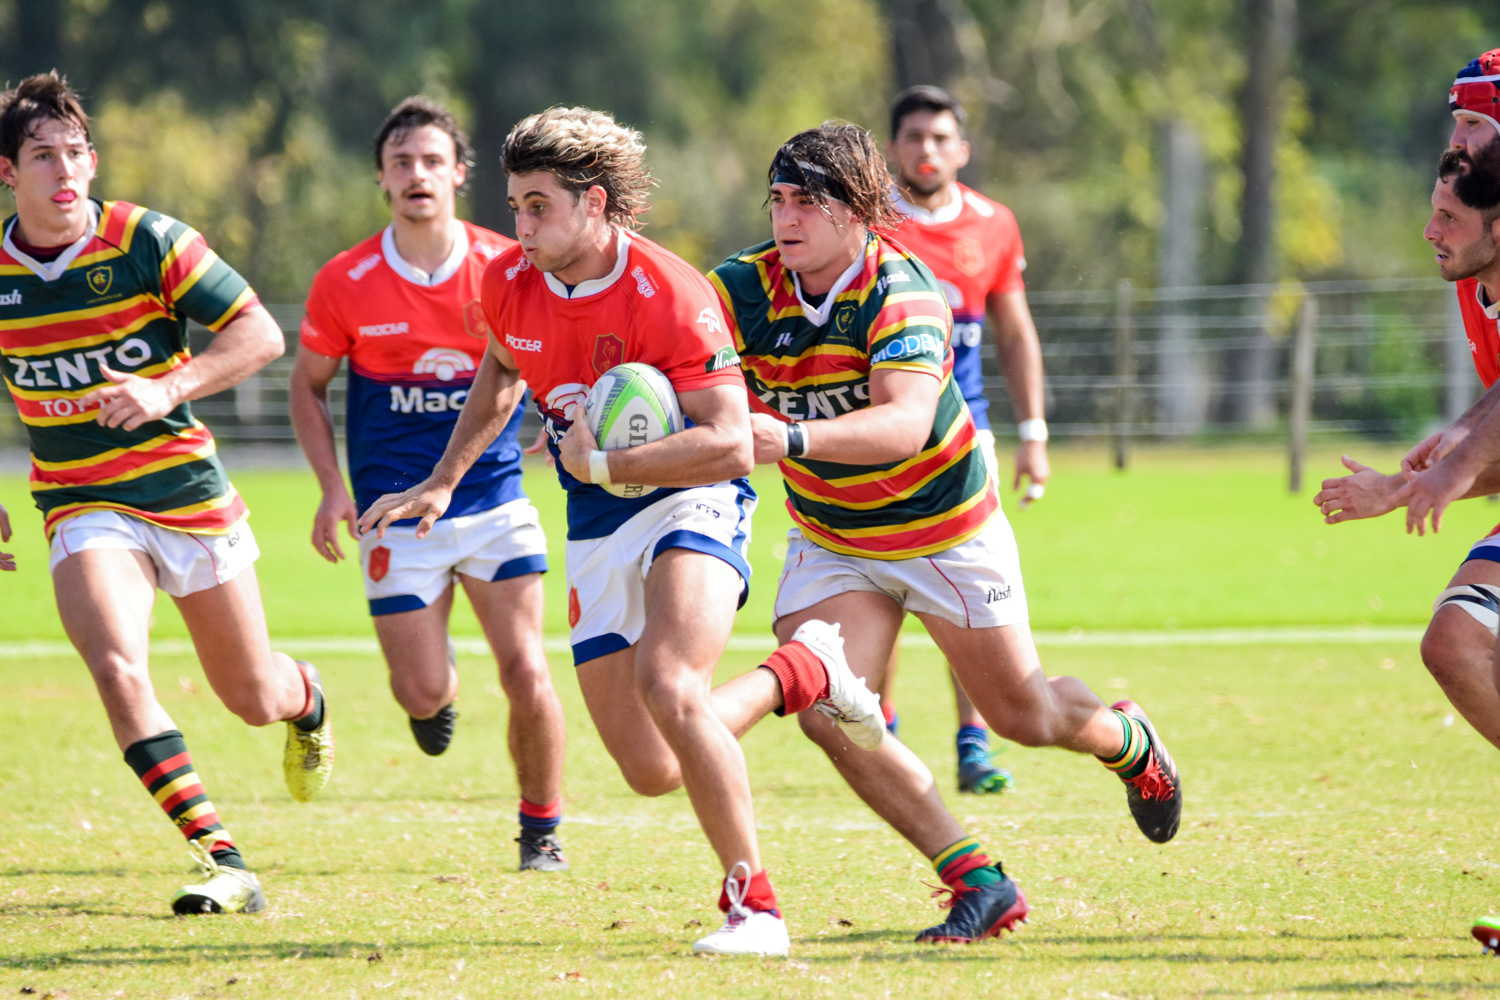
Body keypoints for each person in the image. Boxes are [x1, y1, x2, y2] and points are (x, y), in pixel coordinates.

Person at [359, 106, 884, 957]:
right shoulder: (507, 282)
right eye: (515, 204)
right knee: (652, 768)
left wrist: (601, 460)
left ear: (594, 205)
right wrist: (443, 482)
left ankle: (755, 910)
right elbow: (501, 365)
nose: (518, 226)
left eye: (537, 206)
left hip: (693, 496)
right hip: (599, 519)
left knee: (672, 683)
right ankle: (807, 668)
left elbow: (726, 441)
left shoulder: (672, 293)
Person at [709, 121, 1182, 945]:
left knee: (1023, 716)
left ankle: (1127, 739)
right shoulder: (741, 287)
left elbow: (900, 424)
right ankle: (976, 878)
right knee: (826, 704)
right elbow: (671, 339)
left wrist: (788, 438)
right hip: (835, 535)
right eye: (778, 199)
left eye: (808, 202)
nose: (787, 218)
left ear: (858, 210)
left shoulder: (902, 288)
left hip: (944, 529)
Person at [0, 71, 332, 915]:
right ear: (9, 173)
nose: (64, 170)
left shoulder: (147, 239)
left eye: (75, 153)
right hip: (80, 499)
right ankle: (225, 859)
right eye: (42, 156)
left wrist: (166, 388)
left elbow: (259, 333)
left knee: (253, 696)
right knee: (116, 666)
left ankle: (307, 696)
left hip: (187, 492)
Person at [289, 97, 570, 871]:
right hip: (392, 511)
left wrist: (566, 408)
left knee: (527, 668)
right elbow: (306, 386)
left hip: (493, 500)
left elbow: (548, 350)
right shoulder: (345, 281)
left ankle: (541, 832)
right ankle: (434, 697)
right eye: (402, 161)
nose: (418, 173)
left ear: (457, 175)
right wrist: (328, 486)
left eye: (432, 161)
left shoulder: (504, 268)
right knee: (418, 692)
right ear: (382, 177)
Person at [1313, 50, 1500, 953]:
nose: (1455, 140)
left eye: (1473, 123)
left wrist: (1453, 465)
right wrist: (1412, 482)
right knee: (1457, 643)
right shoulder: (1475, 281)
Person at [872, 84, 1051, 794]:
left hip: (964, 433)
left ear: (962, 150)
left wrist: (1034, 432)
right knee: (878, 579)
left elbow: (1013, 330)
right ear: (893, 149)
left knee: (970, 590)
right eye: (914, 137)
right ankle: (878, 729)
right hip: (882, 430)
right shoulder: (871, 220)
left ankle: (973, 744)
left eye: (940, 138)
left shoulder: (994, 223)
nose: (927, 150)